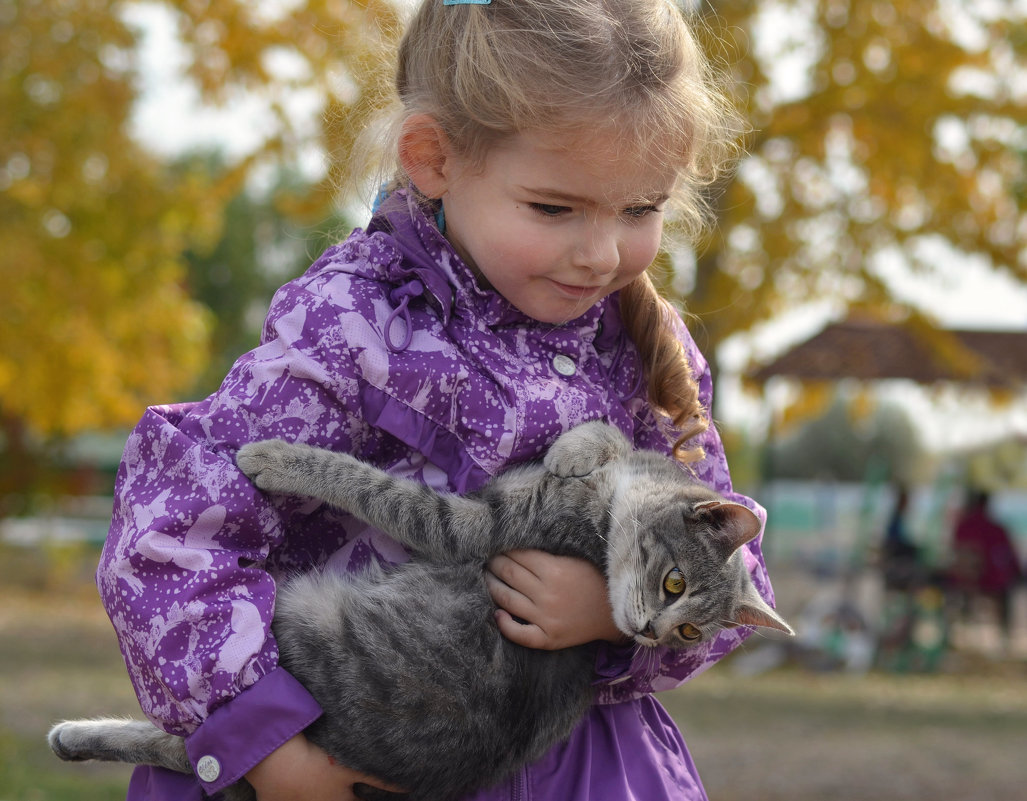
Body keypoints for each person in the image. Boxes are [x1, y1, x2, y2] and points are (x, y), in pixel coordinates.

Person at [96, 1, 778, 799]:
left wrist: (608, 614)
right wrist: (264, 740)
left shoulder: (641, 346)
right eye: (554, 208)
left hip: (581, 767)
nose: (599, 254)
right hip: (358, 745)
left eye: (641, 209)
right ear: (432, 159)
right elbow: (172, 533)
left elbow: (734, 577)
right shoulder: (355, 323)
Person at [949, 489, 1023, 642]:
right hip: (987, 580)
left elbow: (956, 553)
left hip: (962, 580)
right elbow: (1006, 555)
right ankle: (1005, 636)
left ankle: (963, 628)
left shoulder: (961, 526)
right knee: (1009, 587)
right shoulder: (994, 528)